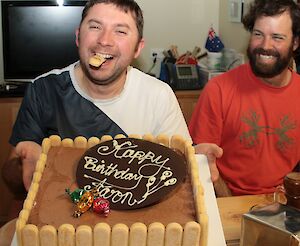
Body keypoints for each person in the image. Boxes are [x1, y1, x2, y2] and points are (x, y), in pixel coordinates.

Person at [2, 0, 190, 196]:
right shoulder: (43, 90)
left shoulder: (159, 95)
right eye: (95, 26)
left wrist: (198, 164)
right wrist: (21, 164)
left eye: (121, 31)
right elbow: (12, 177)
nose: (104, 40)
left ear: (137, 48)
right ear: (78, 37)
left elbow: (180, 170)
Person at [189, 0, 300, 196]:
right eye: (258, 34)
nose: (265, 46)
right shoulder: (218, 90)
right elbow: (201, 165)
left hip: (284, 205)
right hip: (226, 200)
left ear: (295, 43)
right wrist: (228, 200)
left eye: (277, 37)